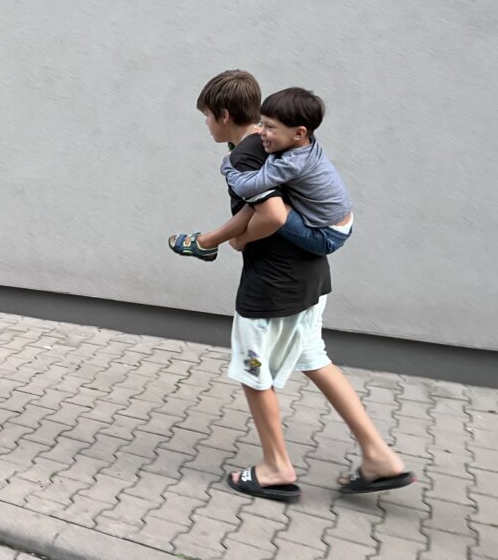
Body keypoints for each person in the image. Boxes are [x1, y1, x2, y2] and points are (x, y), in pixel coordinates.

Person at [171, 69, 413, 502]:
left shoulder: (246, 156)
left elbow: (274, 215)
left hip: (274, 286)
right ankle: (380, 457)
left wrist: (237, 240)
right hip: (310, 276)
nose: (205, 124)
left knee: (253, 371)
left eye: (206, 116)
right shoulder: (272, 144)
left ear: (223, 115)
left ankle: (276, 469)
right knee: (315, 359)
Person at [170, 88, 352, 259]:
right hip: (338, 221)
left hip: (326, 235)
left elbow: (246, 186)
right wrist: (267, 130)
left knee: (265, 203)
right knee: (262, 198)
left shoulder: (291, 164)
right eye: (261, 123)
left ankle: (209, 242)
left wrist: (228, 165)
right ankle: (208, 242)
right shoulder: (305, 143)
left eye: (270, 127)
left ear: (299, 133)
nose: (261, 132)